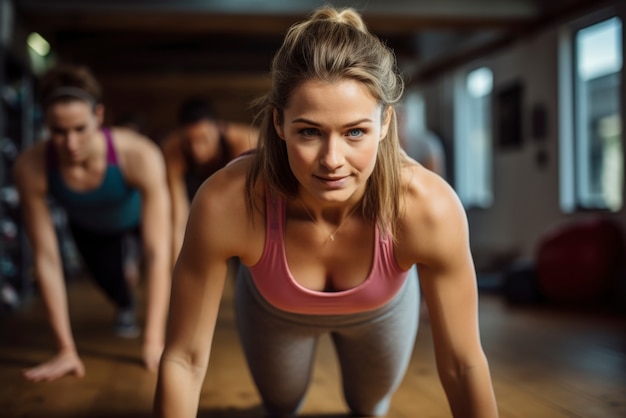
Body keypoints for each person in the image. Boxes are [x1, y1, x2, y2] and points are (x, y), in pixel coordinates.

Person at [155, 6, 498, 418]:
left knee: (368, 408)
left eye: (355, 131)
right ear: (279, 123)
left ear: (385, 122)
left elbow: (463, 365)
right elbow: (184, 360)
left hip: (381, 313)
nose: (332, 160)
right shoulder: (228, 200)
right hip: (273, 312)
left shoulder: (427, 206)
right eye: (309, 132)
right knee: (281, 407)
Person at [13, 64, 171, 382]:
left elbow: (157, 254)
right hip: (91, 229)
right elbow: (46, 260)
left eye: (80, 129)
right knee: (116, 290)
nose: (70, 143)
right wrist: (65, 349)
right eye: (59, 131)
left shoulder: (138, 154)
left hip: (137, 219)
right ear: (46, 123)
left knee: (167, 263)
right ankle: (124, 304)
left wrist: (154, 342)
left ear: (98, 116)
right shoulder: (31, 166)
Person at [160, 97, 259, 262]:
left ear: (219, 128)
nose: (197, 149)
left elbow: (247, 208)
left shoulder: (244, 142)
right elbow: (178, 214)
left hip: (237, 204)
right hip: (196, 196)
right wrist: (176, 265)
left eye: (203, 139)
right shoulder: (174, 149)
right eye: (190, 141)